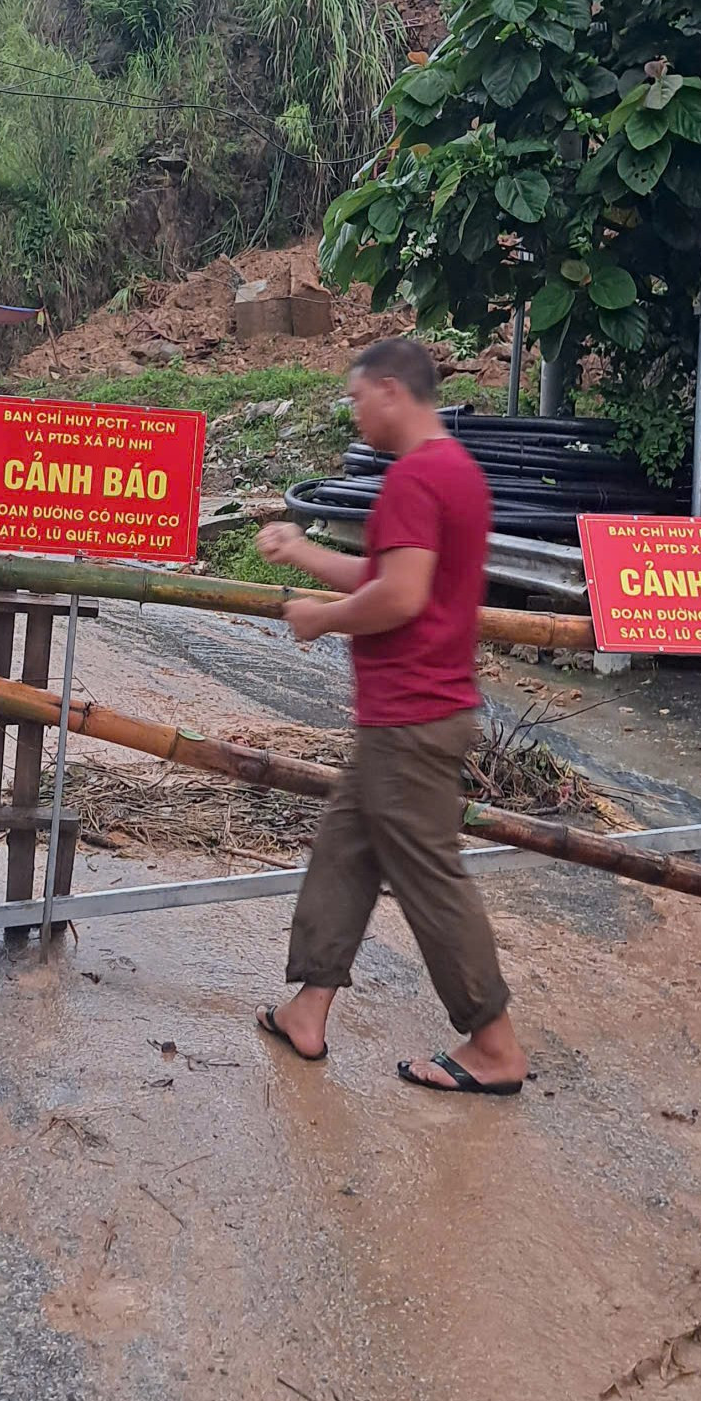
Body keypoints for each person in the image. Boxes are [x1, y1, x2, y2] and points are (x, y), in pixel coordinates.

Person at [252, 338, 529, 1096]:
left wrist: (322, 621)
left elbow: (399, 598)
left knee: (430, 878)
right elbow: (391, 575)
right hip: (413, 711)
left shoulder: (414, 477)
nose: (354, 412)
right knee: (346, 850)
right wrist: (303, 553)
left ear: (389, 391)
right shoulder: (454, 472)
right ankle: (309, 1009)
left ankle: (494, 1045)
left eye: (355, 398)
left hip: (412, 715)